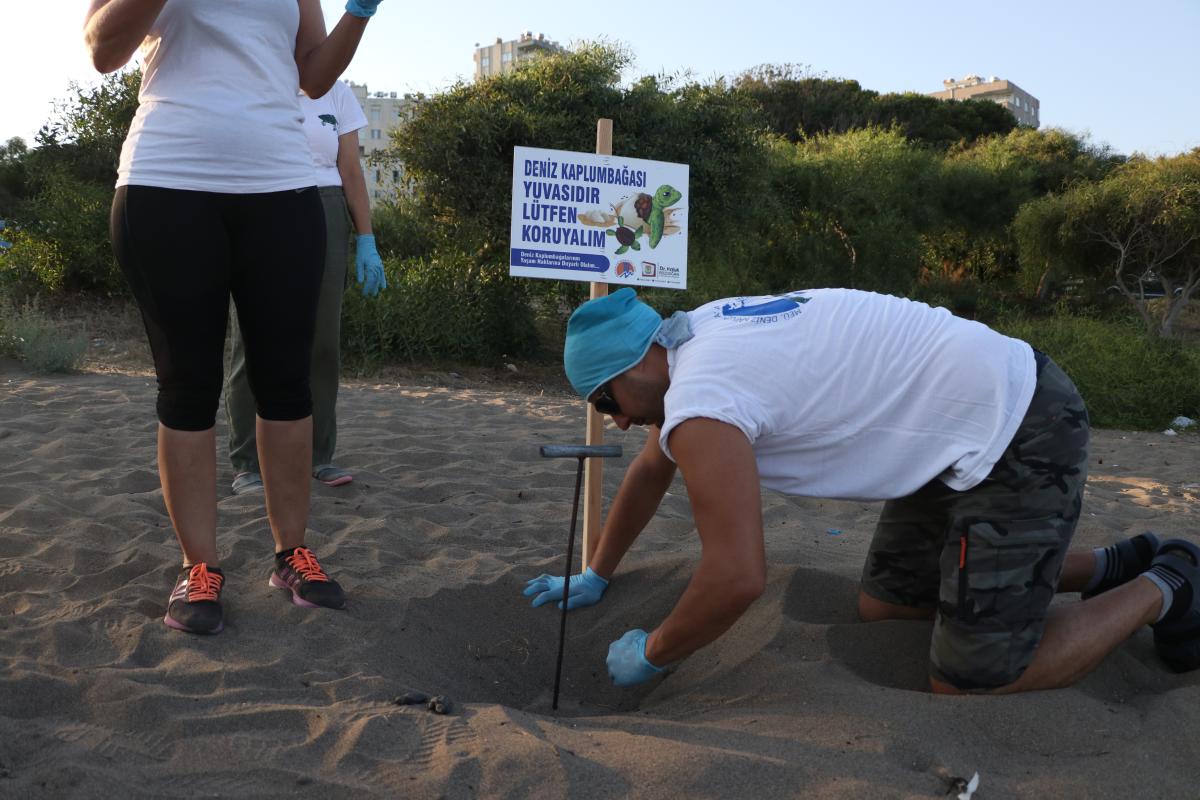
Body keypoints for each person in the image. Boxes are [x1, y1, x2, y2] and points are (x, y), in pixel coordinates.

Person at [524, 287, 1200, 693]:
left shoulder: (702, 398)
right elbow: (648, 470)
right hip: (943, 431)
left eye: (604, 395)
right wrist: (596, 574)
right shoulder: (695, 335)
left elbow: (735, 578)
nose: (613, 417)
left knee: (970, 680)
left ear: (635, 363)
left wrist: (655, 653)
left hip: (1018, 423)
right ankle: (1117, 561)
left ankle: (1167, 579)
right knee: (886, 608)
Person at [86, 0, 387, 634]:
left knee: (286, 384)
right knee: (187, 387)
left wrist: (359, 12)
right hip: (167, 182)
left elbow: (312, 76)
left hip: (281, 185)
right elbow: (103, 49)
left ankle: (292, 554)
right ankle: (200, 568)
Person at [224, 79, 386, 496]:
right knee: (252, 339)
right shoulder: (256, 76)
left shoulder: (336, 91)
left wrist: (366, 238)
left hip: (326, 208)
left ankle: (318, 456)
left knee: (323, 341)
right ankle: (247, 462)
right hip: (262, 201)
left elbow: (350, 167)